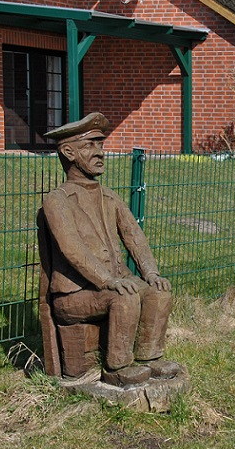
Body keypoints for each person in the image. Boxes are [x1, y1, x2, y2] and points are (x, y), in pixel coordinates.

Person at [41, 112, 175, 386]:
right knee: (123, 298)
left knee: (158, 294)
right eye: (90, 146)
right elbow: (72, 249)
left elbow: (135, 238)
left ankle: (149, 358)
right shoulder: (57, 201)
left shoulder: (109, 197)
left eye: (100, 145)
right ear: (68, 152)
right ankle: (117, 367)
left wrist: (151, 273)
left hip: (111, 284)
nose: (100, 153)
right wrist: (108, 280)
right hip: (75, 295)